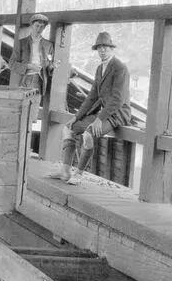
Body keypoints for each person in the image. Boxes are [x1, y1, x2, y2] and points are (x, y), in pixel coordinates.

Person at [50, 31, 132, 185]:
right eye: (99, 47)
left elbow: (118, 99)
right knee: (69, 128)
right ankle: (65, 171)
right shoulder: (100, 68)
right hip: (103, 112)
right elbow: (92, 97)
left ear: (111, 48)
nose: (102, 50)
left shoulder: (120, 68)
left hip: (118, 113)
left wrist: (99, 119)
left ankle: (79, 174)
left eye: (105, 47)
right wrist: (78, 116)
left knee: (88, 134)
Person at [7, 13, 55, 96]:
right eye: (37, 25)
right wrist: (28, 66)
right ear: (31, 25)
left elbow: (49, 67)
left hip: (40, 80)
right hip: (24, 79)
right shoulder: (22, 43)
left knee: (34, 106)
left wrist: (52, 66)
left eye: (42, 26)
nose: (39, 28)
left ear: (44, 28)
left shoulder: (49, 45)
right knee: (22, 106)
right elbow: (11, 64)